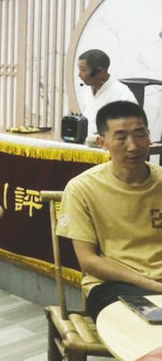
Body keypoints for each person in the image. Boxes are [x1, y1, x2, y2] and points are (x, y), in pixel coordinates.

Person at [56, 100, 162, 321]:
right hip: (113, 286)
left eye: (140, 134)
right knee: (148, 324)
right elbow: (88, 261)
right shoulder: (82, 188)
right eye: (121, 137)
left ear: (149, 137)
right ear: (102, 142)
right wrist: (152, 286)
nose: (133, 146)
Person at [77, 49, 136, 138]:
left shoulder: (122, 94)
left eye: (83, 70)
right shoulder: (86, 91)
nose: (79, 75)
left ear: (100, 72)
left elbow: (130, 129)